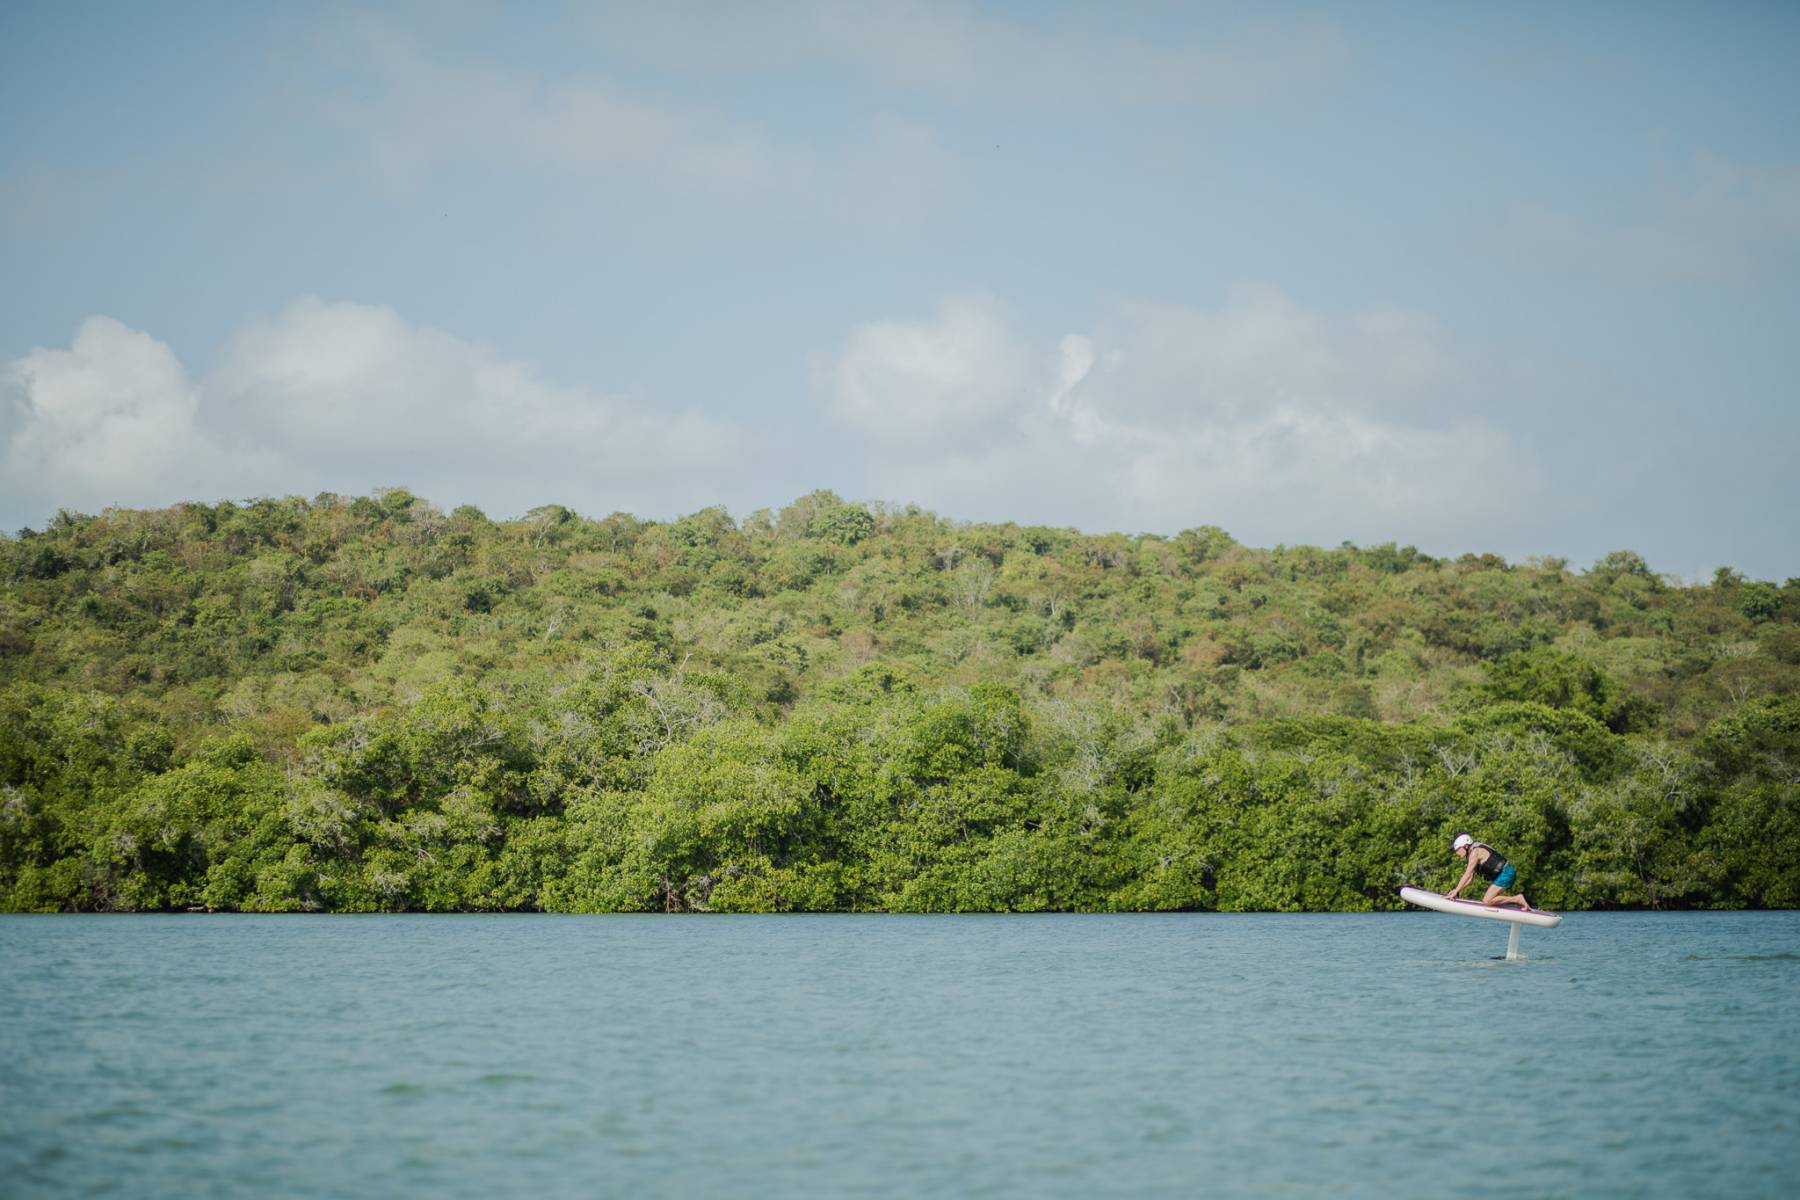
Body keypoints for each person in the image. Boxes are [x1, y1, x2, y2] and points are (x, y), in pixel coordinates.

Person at [1444, 833, 1534, 910]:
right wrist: (1457, 890)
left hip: (1506, 873)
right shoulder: (1473, 852)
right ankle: (1516, 900)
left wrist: (1456, 892)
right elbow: (1470, 878)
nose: (1458, 853)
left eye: (1458, 850)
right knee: (1490, 900)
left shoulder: (1475, 852)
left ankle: (1517, 899)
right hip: (1504, 874)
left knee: (1487, 901)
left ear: (1466, 845)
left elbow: (1467, 874)